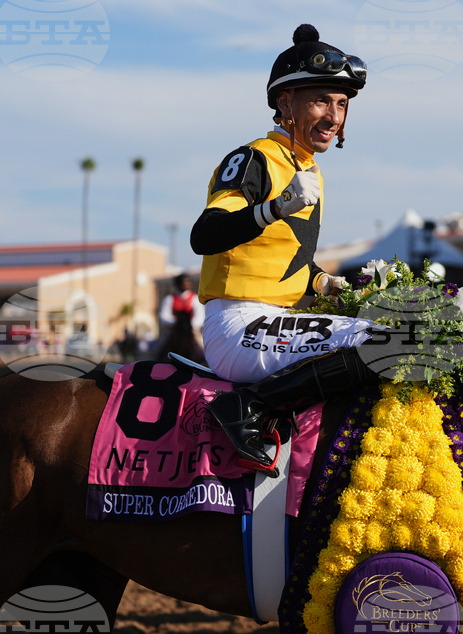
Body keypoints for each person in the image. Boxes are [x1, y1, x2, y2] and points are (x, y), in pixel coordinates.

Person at [189, 24, 376, 471]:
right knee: (380, 341)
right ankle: (248, 409)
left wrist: (327, 282)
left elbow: (283, 257)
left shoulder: (307, 168)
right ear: (284, 102)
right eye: (321, 100)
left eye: (342, 103)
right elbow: (205, 235)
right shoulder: (254, 158)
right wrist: (278, 205)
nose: (334, 116)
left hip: (273, 320)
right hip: (236, 327)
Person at [157, 273, 205, 362]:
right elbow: (164, 315)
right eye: (183, 282)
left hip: (192, 330)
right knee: (159, 346)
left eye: (187, 282)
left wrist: (190, 324)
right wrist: (177, 323)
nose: (185, 284)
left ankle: (207, 363)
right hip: (173, 329)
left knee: (203, 347)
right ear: (177, 284)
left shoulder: (195, 298)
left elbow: (200, 316)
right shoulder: (170, 299)